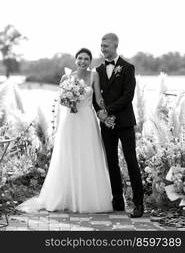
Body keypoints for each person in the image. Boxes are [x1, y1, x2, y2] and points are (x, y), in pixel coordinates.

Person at [16, 48, 113, 213]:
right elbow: (61, 101)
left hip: (87, 120)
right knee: (68, 155)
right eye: (80, 58)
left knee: (88, 154)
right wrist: (70, 99)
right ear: (76, 60)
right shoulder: (66, 78)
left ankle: (88, 198)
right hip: (70, 120)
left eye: (86, 59)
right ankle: (66, 196)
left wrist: (106, 110)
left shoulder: (94, 75)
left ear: (90, 61)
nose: (83, 61)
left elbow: (97, 98)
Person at [93, 33, 144, 218]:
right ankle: (118, 202)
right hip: (106, 124)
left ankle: (139, 204)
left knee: (131, 162)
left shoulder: (128, 67)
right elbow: (94, 96)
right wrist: (100, 113)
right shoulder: (97, 71)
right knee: (111, 162)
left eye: (106, 45)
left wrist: (109, 111)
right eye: (101, 45)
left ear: (115, 45)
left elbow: (128, 95)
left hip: (125, 122)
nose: (103, 48)